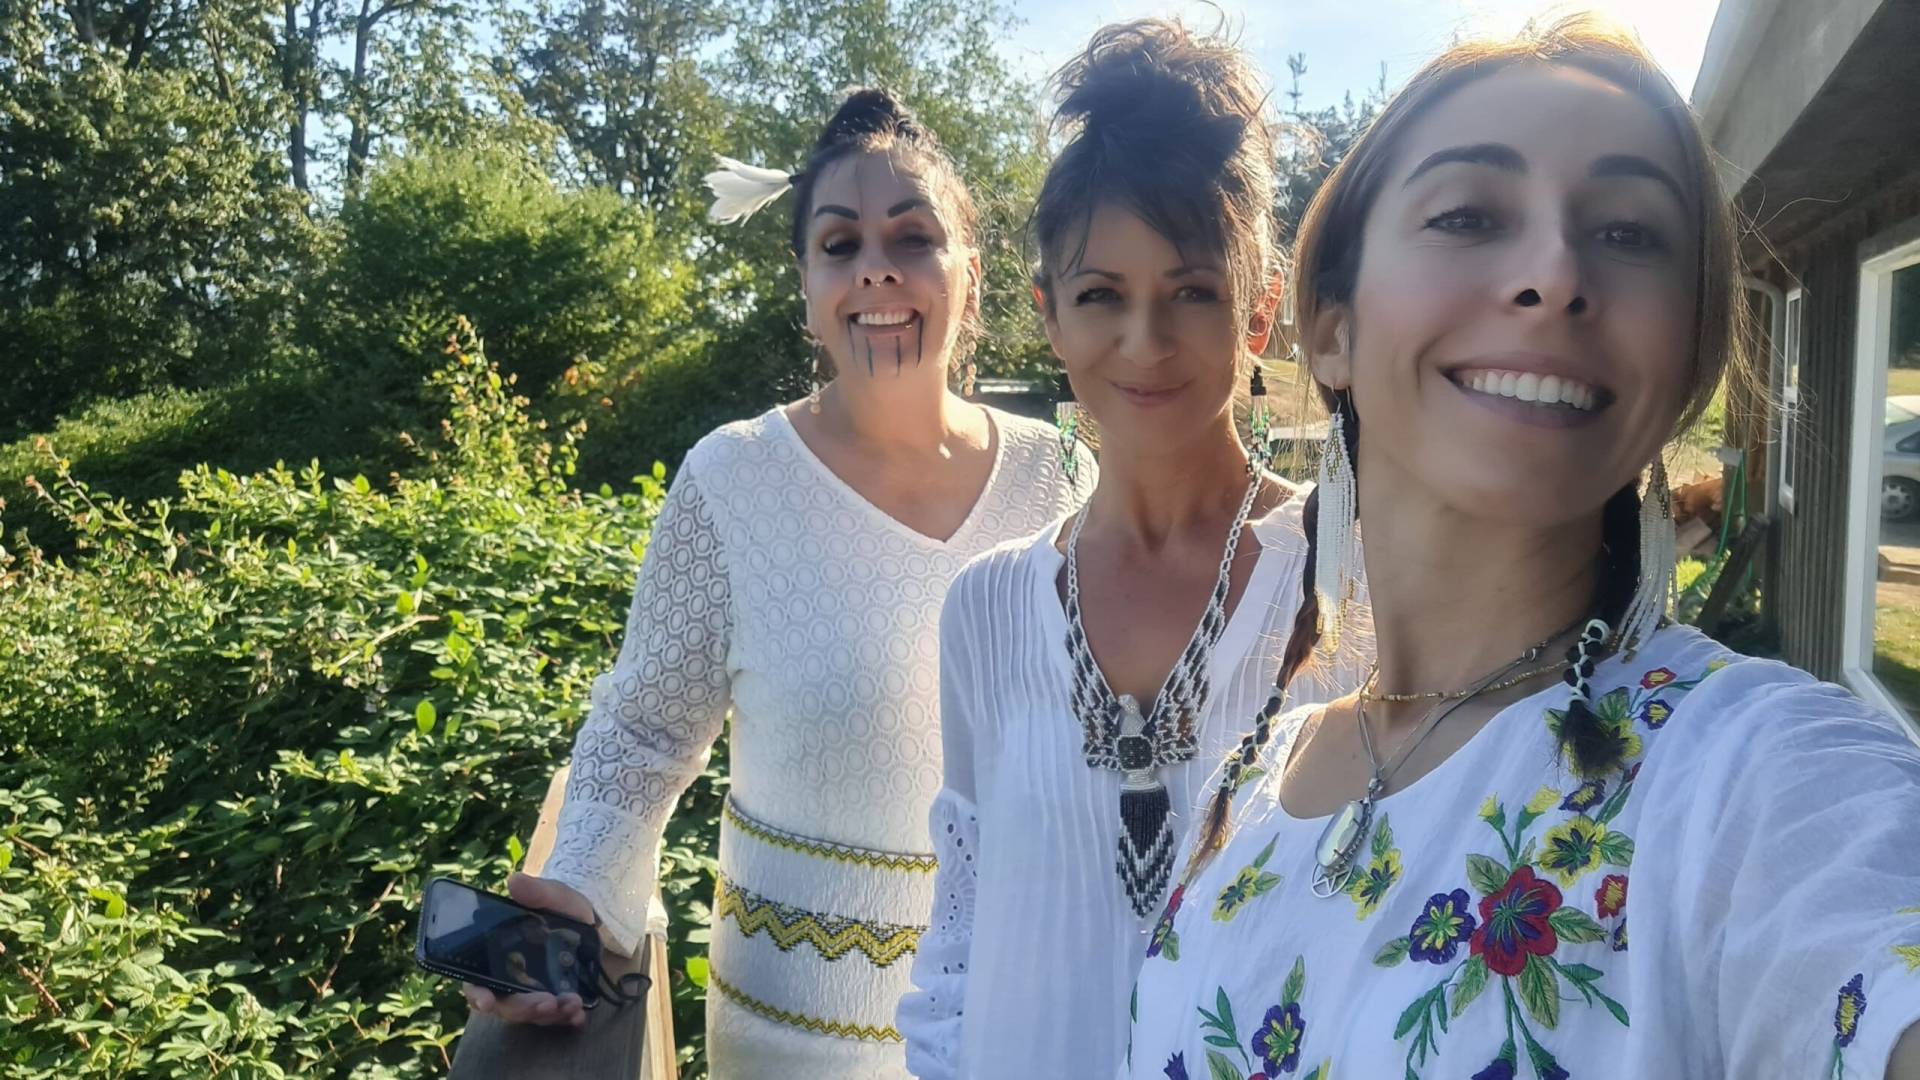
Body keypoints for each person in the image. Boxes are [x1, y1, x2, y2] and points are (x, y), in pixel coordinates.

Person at [1123, 15, 1920, 1080]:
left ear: (1684, 361)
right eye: (1468, 215)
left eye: (1630, 233)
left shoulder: (1754, 780)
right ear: (1331, 327)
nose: (1556, 272)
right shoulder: (1250, 780)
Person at [463, 87, 1095, 1078]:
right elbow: (642, 734)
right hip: (792, 1048)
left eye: (914, 237)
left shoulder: (1063, 476)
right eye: (840, 244)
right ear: (806, 286)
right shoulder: (732, 480)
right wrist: (576, 893)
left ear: (969, 275)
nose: (876, 266)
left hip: (1021, 1032)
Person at [897, 21, 1368, 1079]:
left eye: (1192, 292)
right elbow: (961, 943)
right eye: (1101, 295)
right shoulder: (985, 609)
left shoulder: (1353, 585)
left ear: (1259, 313)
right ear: (1050, 318)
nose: (1145, 342)